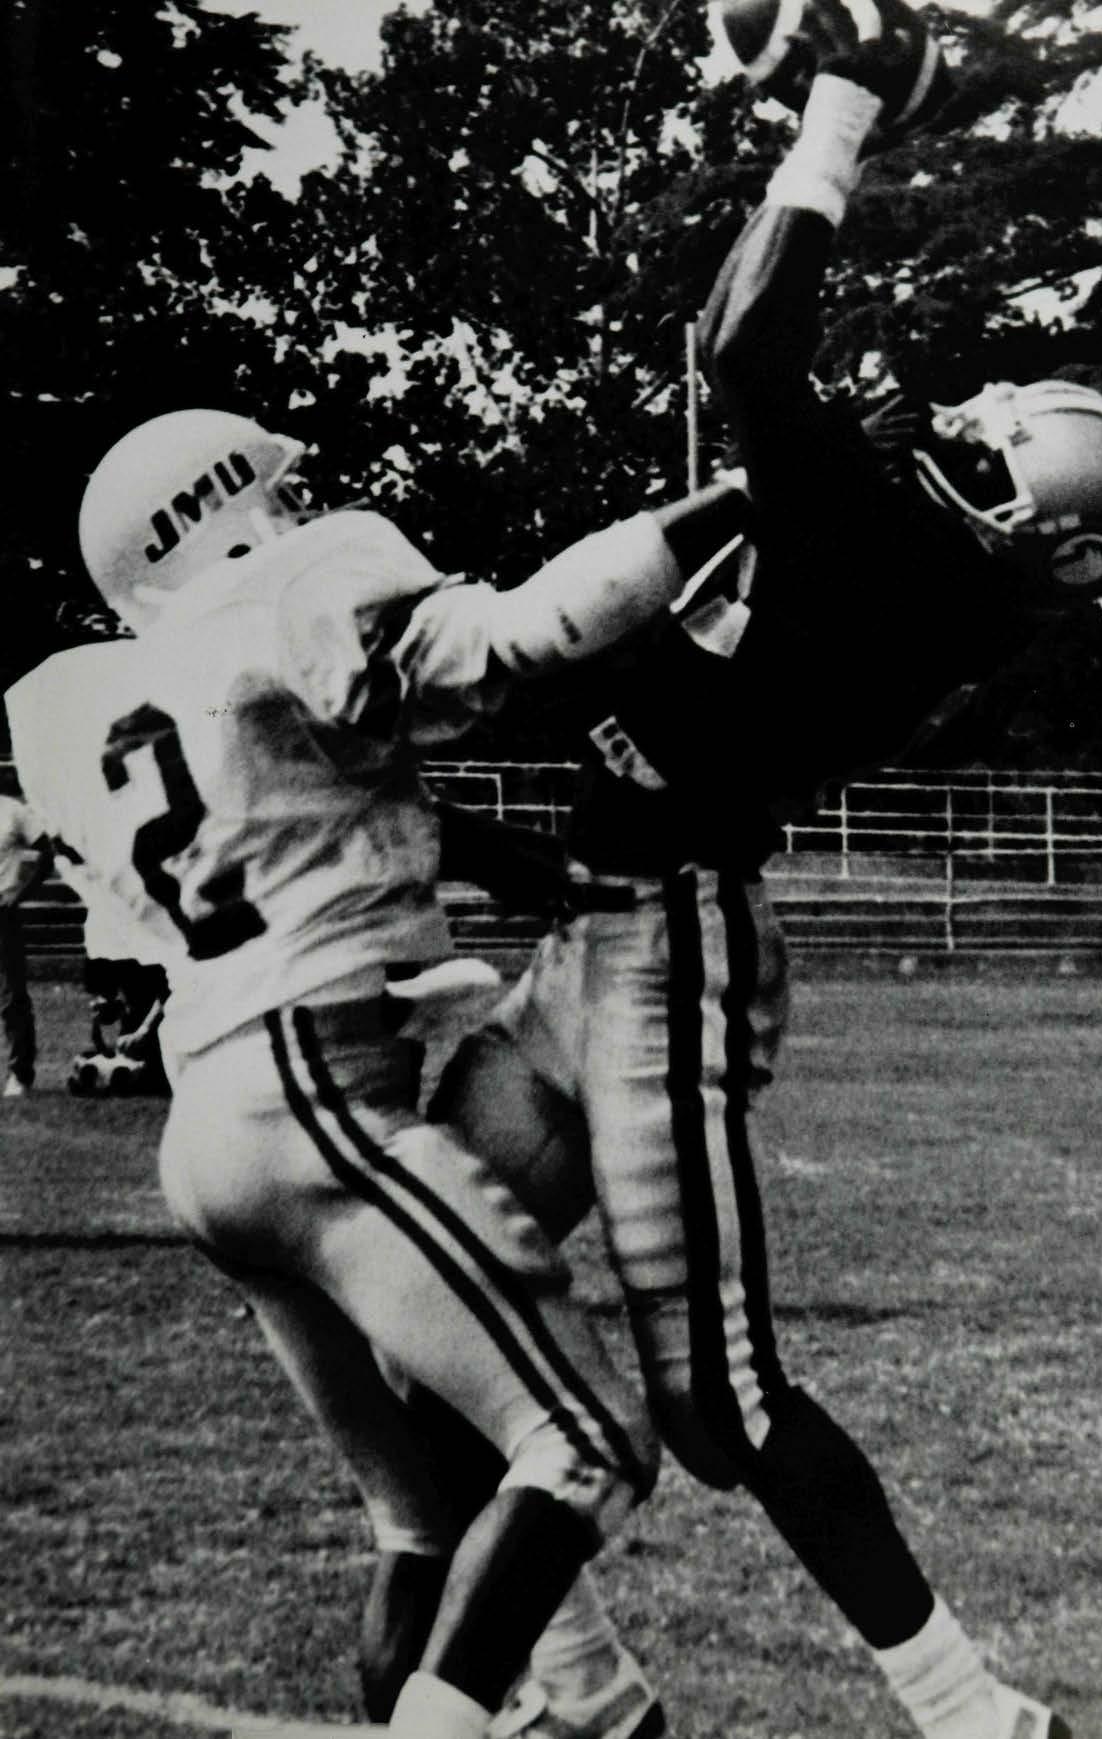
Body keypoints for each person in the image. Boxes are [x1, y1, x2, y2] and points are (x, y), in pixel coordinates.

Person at [347, 1, 1102, 1735]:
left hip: (669, 957)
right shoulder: (895, 548)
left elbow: (740, 350)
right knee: (434, 1345)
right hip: (588, 940)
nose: (948, 426)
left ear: (1037, 520)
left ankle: (972, 1709)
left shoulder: (912, 566)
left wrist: (839, 110)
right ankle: (569, 1695)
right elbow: (622, 766)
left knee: (714, 1399)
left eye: (986, 440)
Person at [4, 405, 750, 1739]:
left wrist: (504, 860)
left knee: (415, 1523)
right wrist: (739, 496)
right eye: (274, 494)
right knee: (588, 1442)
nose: (300, 509)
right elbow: (523, 632)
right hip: (311, 1090)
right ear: (219, 512)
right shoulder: (289, 591)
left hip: (207, 1133)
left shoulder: (100, 693)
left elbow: (299, 807)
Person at [0, 788, 54, 1098]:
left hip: (2, 913)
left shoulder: (12, 811)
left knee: (12, 995)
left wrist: (20, 895)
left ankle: (20, 1073)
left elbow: (48, 853)